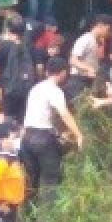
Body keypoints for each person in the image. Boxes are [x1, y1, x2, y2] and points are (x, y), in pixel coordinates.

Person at [21, 56, 84, 206]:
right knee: (51, 179)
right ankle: (50, 219)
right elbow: (64, 114)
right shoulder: (54, 90)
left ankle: (29, 215)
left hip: (27, 137)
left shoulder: (36, 88)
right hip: (42, 140)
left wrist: (57, 133)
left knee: (31, 179)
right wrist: (78, 134)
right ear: (62, 72)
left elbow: (39, 115)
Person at [0, 15, 34, 119]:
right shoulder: (29, 45)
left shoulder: (3, 45)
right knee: (21, 120)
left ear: (8, 29)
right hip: (26, 90)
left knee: (5, 120)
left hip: (7, 90)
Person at [66, 14, 111, 96]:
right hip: (78, 80)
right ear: (100, 26)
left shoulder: (98, 41)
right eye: (107, 29)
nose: (108, 33)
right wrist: (88, 68)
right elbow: (73, 60)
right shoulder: (85, 39)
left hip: (90, 80)